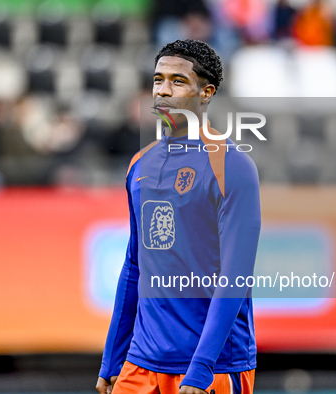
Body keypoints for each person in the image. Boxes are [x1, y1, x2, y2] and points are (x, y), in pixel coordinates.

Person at [96, 40, 261, 394]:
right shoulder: (140, 165)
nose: (163, 92)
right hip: (140, 365)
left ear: (206, 92)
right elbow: (134, 266)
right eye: (158, 80)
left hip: (210, 368)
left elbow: (236, 275)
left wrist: (201, 369)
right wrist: (113, 357)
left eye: (178, 81)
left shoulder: (232, 166)